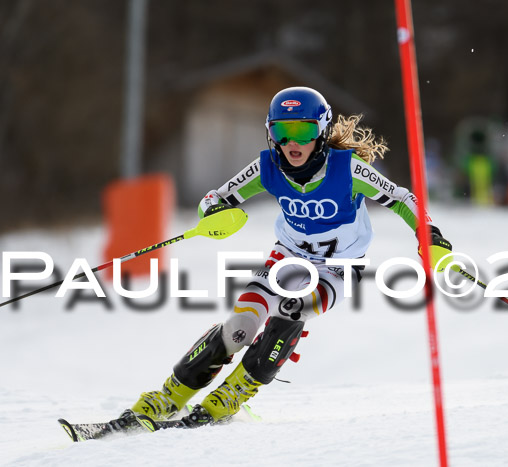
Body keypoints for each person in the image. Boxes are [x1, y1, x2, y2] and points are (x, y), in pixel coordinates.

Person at [121, 86, 453, 427]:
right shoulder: (268, 167)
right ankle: (167, 397)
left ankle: (233, 394)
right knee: (239, 329)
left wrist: (429, 234)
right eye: (282, 131)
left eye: (303, 131)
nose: (292, 143)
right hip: (287, 257)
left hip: (338, 268)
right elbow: (214, 197)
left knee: (295, 308)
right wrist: (216, 213)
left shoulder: (348, 169)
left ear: (321, 132)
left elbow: (401, 198)